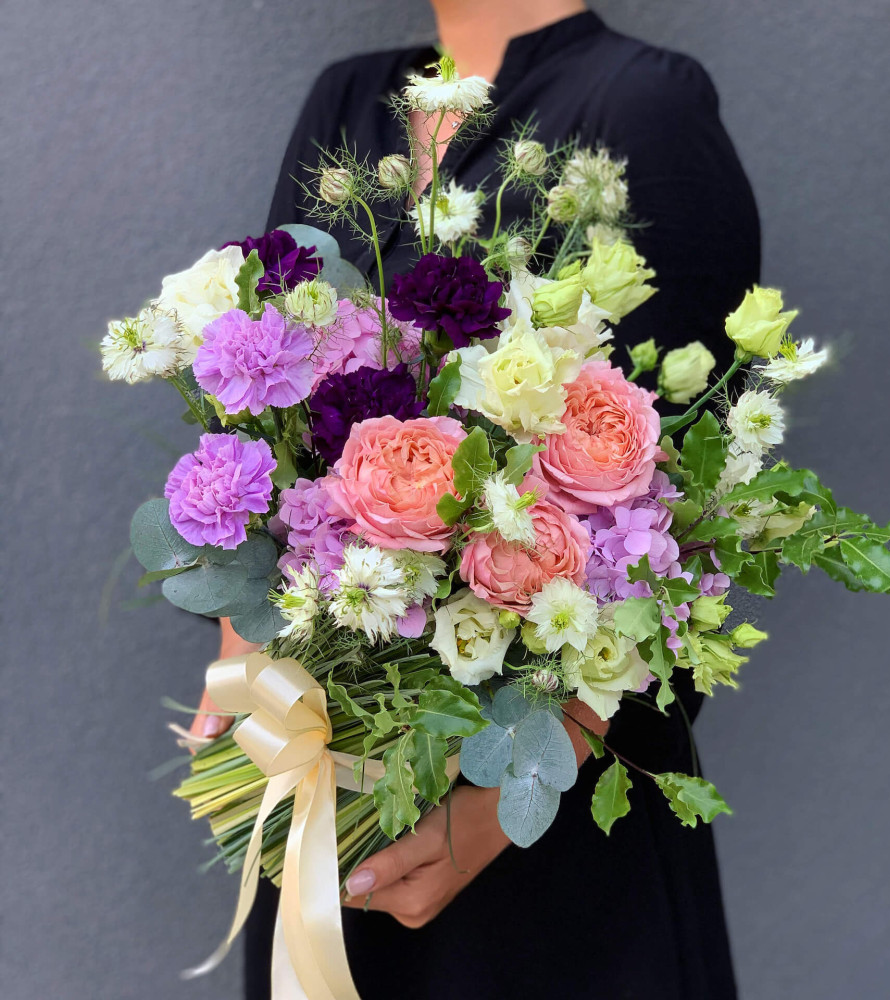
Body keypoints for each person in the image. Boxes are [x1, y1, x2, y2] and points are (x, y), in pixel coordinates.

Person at [193, 3, 759, 997]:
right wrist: (247, 668)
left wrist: (505, 802)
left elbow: (681, 524)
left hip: (545, 857)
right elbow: (263, 402)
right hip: (327, 798)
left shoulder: (642, 106)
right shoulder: (348, 99)